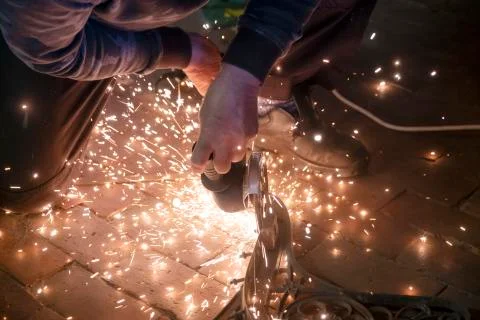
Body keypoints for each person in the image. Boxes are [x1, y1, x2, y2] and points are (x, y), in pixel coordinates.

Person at [0, 0, 375, 213]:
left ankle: (270, 99)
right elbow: (52, 49)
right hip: (65, 28)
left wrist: (246, 68)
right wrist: (184, 52)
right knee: (24, 185)